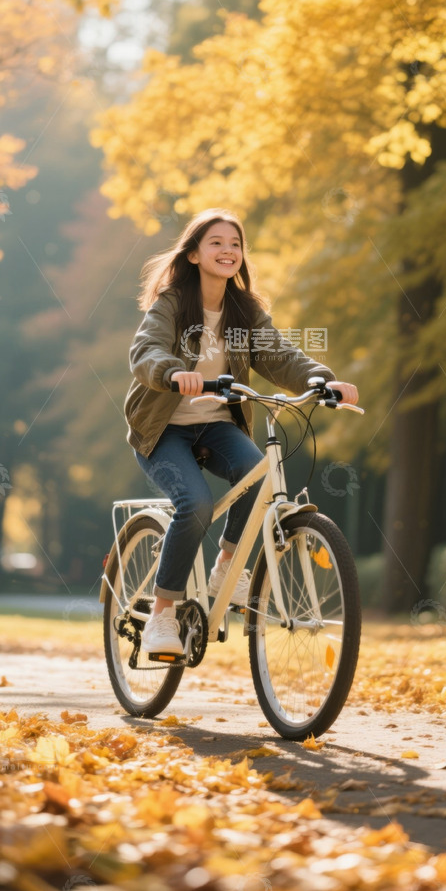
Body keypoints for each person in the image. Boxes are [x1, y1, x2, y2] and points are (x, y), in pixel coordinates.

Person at [124, 207, 359, 657]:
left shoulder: (243, 311)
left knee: (259, 478)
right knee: (195, 504)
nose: (227, 251)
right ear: (193, 254)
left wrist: (321, 380)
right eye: (216, 242)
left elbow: (281, 356)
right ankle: (161, 615)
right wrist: (173, 372)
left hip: (216, 425)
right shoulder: (172, 303)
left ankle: (227, 567)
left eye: (235, 244)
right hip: (162, 432)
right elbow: (145, 350)